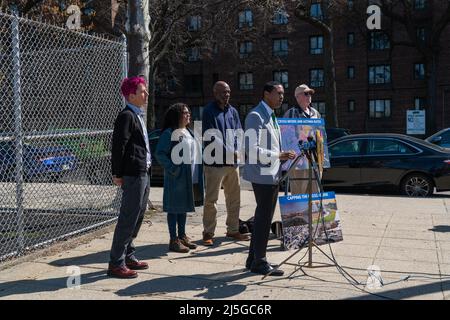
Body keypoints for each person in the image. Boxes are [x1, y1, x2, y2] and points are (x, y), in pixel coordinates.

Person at [243, 81, 296, 276]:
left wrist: (281, 156)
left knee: (262, 219)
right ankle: (260, 262)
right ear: (266, 94)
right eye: (278, 93)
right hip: (262, 175)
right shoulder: (255, 116)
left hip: (272, 173)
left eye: (283, 93)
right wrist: (278, 155)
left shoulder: (271, 115)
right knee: (264, 220)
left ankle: (253, 259)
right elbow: (251, 149)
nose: (282, 97)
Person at [108, 76, 151, 279]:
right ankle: (116, 263)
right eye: (142, 91)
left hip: (144, 172)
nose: (146, 94)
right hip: (133, 174)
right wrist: (117, 173)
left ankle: (128, 255)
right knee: (128, 218)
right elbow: (118, 147)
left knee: (138, 216)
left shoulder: (138, 115)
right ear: (131, 95)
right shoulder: (126, 116)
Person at [201, 81, 250, 246]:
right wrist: (231, 153)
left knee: (234, 198)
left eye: (228, 92)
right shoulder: (208, 111)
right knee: (211, 200)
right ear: (215, 93)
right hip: (215, 163)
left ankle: (233, 229)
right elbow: (211, 136)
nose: (226, 95)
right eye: (223, 92)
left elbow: (239, 132)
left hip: (232, 163)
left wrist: (238, 151)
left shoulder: (233, 111)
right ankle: (208, 232)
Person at [155, 103, 204, 253]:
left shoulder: (188, 132)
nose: (188, 115)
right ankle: (173, 239)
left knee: (183, 208)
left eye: (189, 112)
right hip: (176, 178)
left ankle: (182, 236)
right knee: (174, 209)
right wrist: (173, 169)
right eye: (185, 113)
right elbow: (160, 154)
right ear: (176, 116)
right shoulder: (169, 133)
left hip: (190, 177)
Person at [284, 84, 321, 195]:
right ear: (297, 97)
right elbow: (286, 137)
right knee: (299, 193)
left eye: (310, 93)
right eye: (306, 93)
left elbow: (320, 134)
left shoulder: (316, 113)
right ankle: (299, 213)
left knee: (315, 193)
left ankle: (314, 213)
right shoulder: (291, 114)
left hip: (314, 160)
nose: (309, 95)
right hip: (298, 161)